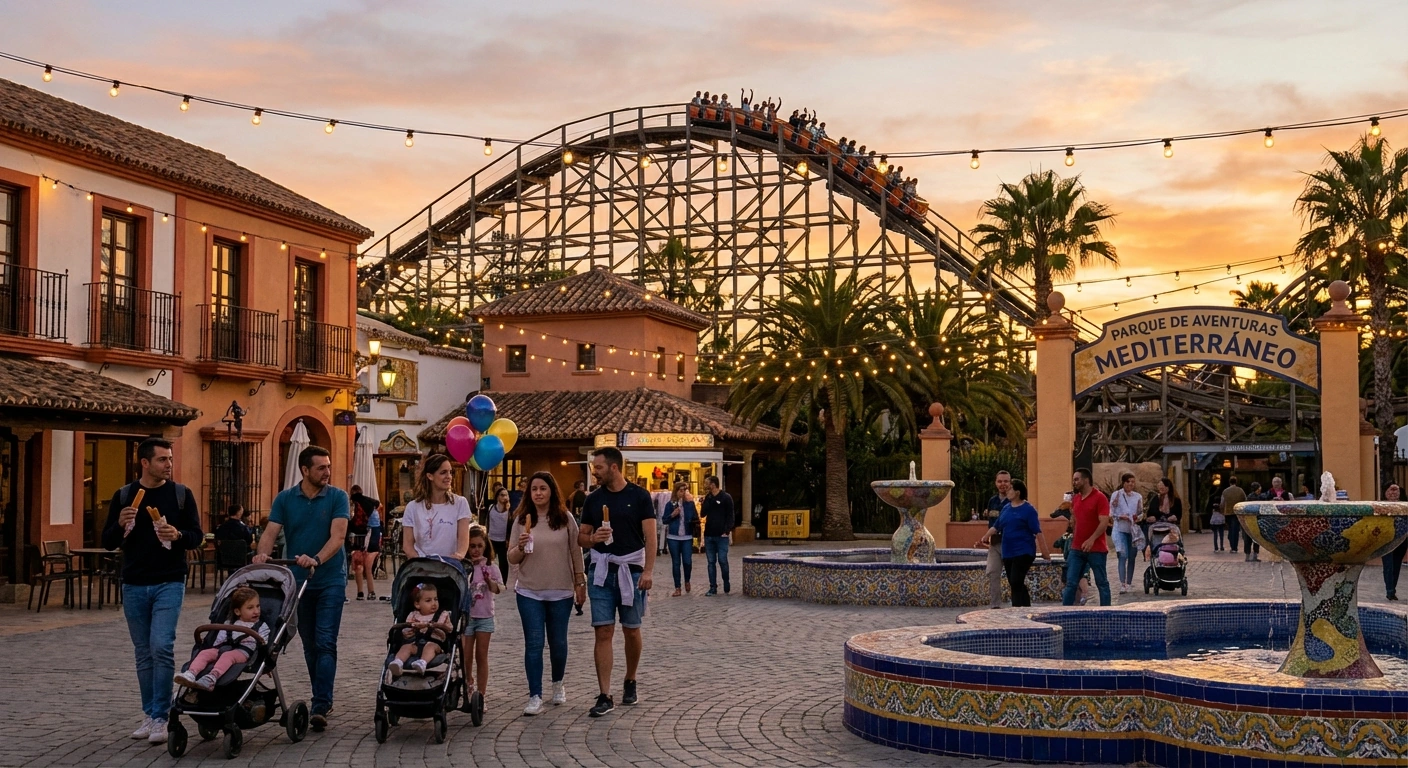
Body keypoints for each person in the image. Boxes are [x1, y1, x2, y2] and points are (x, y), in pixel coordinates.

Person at [101, 437, 201, 745]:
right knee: (143, 652)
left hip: (169, 580)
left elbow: (196, 536)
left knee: (161, 646)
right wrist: (119, 523)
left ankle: (162, 716)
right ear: (144, 463)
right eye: (162, 460)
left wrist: (178, 534)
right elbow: (108, 541)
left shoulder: (181, 495)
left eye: (170, 459)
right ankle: (149, 713)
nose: (169, 464)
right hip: (133, 582)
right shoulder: (125, 495)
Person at [254, 445, 348, 731]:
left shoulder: (337, 497)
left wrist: (317, 558)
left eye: (328, 466)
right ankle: (321, 696)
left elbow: (339, 535)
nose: (327, 472)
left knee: (324, 640)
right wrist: (261, 557)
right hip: (298, 581)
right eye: (321, 467)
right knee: (309, 643)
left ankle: (321, 702)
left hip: (330, 577)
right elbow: (270, 533)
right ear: (304, 470)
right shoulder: (285, 499)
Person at [578, 447, 656, 717]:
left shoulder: (640, 496)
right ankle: (604, 694)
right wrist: (594, 539)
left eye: (598, 467)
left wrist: (648, 571)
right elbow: (581, 537)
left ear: (613, 467)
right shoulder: (593, 500)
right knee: (603, 631)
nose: (594, 472)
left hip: (631, 572)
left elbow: (651, 537)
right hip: (601, 571)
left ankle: (631, 679)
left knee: (631, 629)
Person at [508, 471, 586, 715]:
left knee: (558, 642)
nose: (538, 493)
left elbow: (576, 552)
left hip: (560, 590)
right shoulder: (521, 520)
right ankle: (534, 695)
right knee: (534, 643)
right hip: (530, 590)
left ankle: (558, 683)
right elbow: (511, 557)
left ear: (551, 490)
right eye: (534, 489)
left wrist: (579, 583)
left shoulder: (565, 519)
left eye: (543, 488)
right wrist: (520, 547)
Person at [174, 586, 268, 691]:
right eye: (250, 608)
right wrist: (214, 651)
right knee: (205, 653)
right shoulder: (229, 623)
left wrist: (264, 659)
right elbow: (219, 640)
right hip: (224, 647)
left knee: (228, 656)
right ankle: (191, 673)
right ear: (237, 611)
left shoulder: (261, 626)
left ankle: (212, 677)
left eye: (258, 606)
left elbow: (264, 644)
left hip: (244, 651)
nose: (256, 611)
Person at [978, 479, 1050, 607]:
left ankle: (1016, 610)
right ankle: (1026, 608)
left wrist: (1045, 553)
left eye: (1010, 488)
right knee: (1014, 582)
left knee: (1016, 580)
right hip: (1008, 552)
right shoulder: (1006, 508)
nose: (1007, 490)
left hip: (1024, 551)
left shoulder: (1029, 510)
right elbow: (997, 526)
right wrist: (985, 537)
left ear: (1017, 492)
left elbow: (1037, 531)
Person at [1061, 468, 1111, 607]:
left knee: (1102, 582)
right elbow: (1076, 520)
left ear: (1086, 480)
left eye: (1077, 479)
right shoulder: (1076, 499)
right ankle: (1065, 614)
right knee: (1070, 582)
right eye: (1073, 479)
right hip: (1077, 548)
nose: (1074, 482)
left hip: (1096, 548)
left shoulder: (1099, 497)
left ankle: (1106, 613)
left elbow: (1104, 522)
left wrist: (1092, 539)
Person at [465, 525, 503, 699]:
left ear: (485, 546)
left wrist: (489, 581)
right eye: (472, 546)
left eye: (479, 546)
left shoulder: (491, 567)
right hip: (466, 617)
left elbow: (498, 588)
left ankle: (481, 694)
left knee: (481, 655)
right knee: (465, 656)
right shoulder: (464, 567)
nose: (475, 550)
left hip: (484, 616)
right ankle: (468, 683)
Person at [388, 583, 453, 678]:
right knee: (406, 647)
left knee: (430, 647)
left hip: (435, 644)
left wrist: (434, 625)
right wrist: (411, 629)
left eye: (436, 599)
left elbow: (450, 629)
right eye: (428, 601)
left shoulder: (443, 615)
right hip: (416, 643)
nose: (434, 603)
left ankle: (422, 662)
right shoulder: (413, 615)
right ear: (417, 604)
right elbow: (406, 632)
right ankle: (398, 662)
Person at [700, 475, 735, 596]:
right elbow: (703, 514)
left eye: (706, 483)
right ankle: (713, 587)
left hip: (721, 535)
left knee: (722, 560)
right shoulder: (708, 497)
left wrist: (727, 530)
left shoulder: (726, 497)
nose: (705, 485)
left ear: (713, 484)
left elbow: (731, 515)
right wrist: (705, 502)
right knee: (711, 562)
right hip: (709, 534)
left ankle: (726, 581)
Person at [663, 481, 700, 596]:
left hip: (687, 536)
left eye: (685, 490)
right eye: (681, 490)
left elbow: (696, 518)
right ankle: (677, 587)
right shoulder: (670, 504)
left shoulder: (689, 504)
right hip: (673, 537)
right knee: (676, 563)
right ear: (676, 491)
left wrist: (691, 518)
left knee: (687, 562)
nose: (683, 493)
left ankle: (687, 580)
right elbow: (664, 520)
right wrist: (672, 515)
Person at [982, 471, 1012, 609]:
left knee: (1013, 576)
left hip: (1010, 544)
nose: (1003, 484)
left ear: (1010, 483)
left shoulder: (1014, 501)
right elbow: (991, 522)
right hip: (995, 544)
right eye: (1000, 481)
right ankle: (995, 605)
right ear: (996, 483)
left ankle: (1018, 605)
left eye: (1006, 481)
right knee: (993, 573)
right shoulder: (992, 501)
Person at [1109, 473, 1142, 594]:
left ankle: (1129, 582)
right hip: (1120, 529)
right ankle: (1122, 583)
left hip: (1132, 530)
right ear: (1124, 483)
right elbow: (1111, 512)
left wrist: (1137, 517)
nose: (1131, 484)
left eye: (1133, 482)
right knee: (1122, 555)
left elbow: (1141, 512)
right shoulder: (1117, 495)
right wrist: (1120, 516)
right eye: (1129, 482)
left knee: (1132, 557)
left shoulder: (1138, 496)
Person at [348, 484, 379, 601]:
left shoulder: (357, 503)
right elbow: (378, 504)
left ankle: (360, 592)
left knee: (359, 566)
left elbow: (357, 522)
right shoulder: (370, 501)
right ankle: (371, 592)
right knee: (368, 567)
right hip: (374, 536)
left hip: (364, 536)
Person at [1381, 483, 1406, 600]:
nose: (1393, 493)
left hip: (1402, 540)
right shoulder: (1381, 506)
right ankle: (1389, 590)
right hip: (1386, 540)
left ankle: (1392, 590)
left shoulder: (1404, 506)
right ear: (1385, 493)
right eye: (1391, 490)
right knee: (1388, 565)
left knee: (1396, 564)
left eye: (1396, 491)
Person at [488, 487, 513, 584]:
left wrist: (509, 539)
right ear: (497, 496)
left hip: (503, 540)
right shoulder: (491, 508)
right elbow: (487, 521)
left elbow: (511, 526)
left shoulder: (509, 510)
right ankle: (488, 579)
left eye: (506, 495)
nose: (505, 497)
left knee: (503, 562)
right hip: (491, 538)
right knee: (488, 560)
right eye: (502, 495)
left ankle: (503, 582)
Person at [1220, 477, 1246, 556]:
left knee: (1230, 529)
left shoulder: (1225, 491)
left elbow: (1222, 503)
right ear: (1236, 482)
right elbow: (1245, 500)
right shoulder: (1240, 490)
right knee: (1236, 530)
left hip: (1228, 512)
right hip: (1237, 512)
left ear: (1229, 482)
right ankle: (1235, 546)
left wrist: (1222, 511)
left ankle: (1232, 545)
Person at [1242, 482, 1264, 562]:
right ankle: (1253, 555)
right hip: (1254, 519)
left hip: (1250, 519)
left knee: (1250, 539)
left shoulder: (1250, 496)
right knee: (1254, 538)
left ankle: (1249, 556)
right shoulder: (1256, 497)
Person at [652, 480, 672, 556]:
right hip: (668, 514)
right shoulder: (670, 493)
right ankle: (665, 548)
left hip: (659, 514)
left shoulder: (657, 493)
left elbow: (652, 499)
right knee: (667, 532)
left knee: (658, 532)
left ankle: (657, 549)